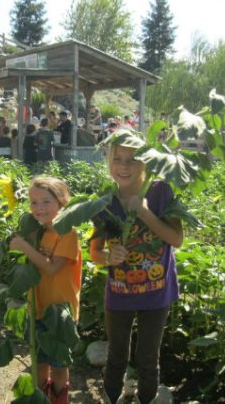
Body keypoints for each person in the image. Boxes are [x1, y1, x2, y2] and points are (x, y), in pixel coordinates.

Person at [90, 141, 183, 404]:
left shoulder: (160, 191)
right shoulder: (105, 201)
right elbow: (94, 252)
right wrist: (108, 258)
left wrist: (143, 211)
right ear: (109, 163)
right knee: (116, 354)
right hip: (119, 291)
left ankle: (147, 399)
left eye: (132, 159)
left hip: (156, 291)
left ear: (145, 162)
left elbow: (176, 239)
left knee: (147, 357)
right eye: (117, 159)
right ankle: (111, 398)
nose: (124, 166)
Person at [9, 177, 82, 404]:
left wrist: (24, 247)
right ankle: (40, 399)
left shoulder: (67, 233)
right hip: (37, 306)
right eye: (34, 202)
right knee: (39, 362)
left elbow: (51, 269)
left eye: (46, 202)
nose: (39, 208)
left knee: (59, 364)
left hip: (60, 312)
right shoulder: (37, 231)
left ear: (62, 202)